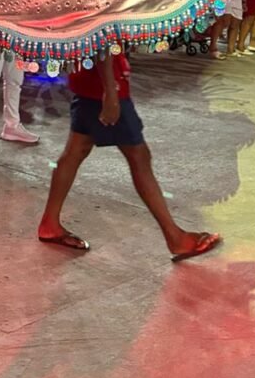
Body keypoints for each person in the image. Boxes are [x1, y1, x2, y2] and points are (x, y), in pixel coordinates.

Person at [37, 51, 222, 262]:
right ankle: (175, 238)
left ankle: (49, 223)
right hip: (104, 86)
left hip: (92, 82)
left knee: (75, 152)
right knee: (138, 157)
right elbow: (103, 41)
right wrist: (110, 92)